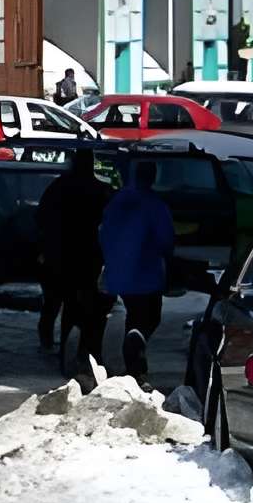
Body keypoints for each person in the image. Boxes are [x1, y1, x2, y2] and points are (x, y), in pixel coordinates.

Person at [92, 156, 178, 380]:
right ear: (152, 177)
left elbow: (103, 233)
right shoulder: (154, 204)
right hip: (146, 273)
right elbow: (165, 240)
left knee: (135, 315)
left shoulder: (117, 201)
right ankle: (136, 366)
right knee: (149, 318)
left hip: (119, 274)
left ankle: (133, 366)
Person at [35, 143, 109, 370]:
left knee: (56, 300)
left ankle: (51, 341)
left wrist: (45, 248)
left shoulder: (57, 187)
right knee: (83, 303)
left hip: (60, 254)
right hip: (88, 256)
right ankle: (82, 350)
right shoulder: (101, 191)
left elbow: (41, 218)